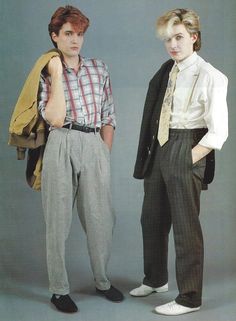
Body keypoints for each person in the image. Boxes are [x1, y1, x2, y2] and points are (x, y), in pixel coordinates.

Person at [130, 8, 228, 316]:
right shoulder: (167, 71)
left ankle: (189, 297)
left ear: (194, 38)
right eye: (168, 39)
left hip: (187, 145)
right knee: (152, 218)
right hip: (160, 146)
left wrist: (189, 158)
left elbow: (219, 132)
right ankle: (156, 279)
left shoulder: (211, 75)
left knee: (186, 228)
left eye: (179, 37)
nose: (173, 45)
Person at [36, 5, 123, 313]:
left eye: (80, 34)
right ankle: (59, 290)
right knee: (57, 222)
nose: (75, 41)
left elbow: (109, 114)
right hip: (61, 142)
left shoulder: (99, 68)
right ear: (55, 36)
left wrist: (103, 152)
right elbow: (55, 119)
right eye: (68, 34)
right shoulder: (45, 72)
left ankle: (102, 280)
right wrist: (57, 73)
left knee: (101, 220)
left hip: (93, 142)